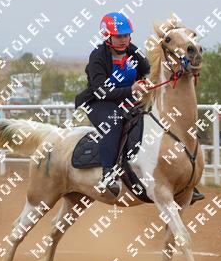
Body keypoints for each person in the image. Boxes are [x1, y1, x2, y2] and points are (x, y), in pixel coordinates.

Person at [75, 11, 204, 204]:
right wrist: (131, 89)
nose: (124, 40)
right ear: (107, 36)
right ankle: (108, 173)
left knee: (149, 119)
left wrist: (147, 82)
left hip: (127, 100)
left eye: (127, 35)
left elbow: (147, 71)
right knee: (114, 123)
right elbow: (101, 90)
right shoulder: (97, 57)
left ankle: (181, 181)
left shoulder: (132, 51)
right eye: (119, 36)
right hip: (99, 103)